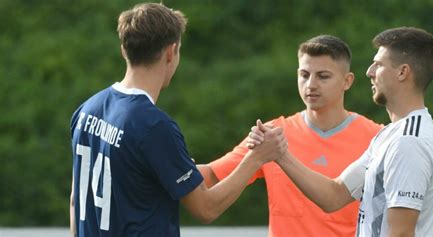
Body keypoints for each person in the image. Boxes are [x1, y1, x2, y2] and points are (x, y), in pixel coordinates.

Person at [69, 3, 286, 237]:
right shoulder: (153, 127)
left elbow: (76, 202)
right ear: (171, 52)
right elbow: (206, 208)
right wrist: (257, 158)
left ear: (124, 49)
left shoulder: (86, 110)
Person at [249, 27, 433, 236]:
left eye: (378, 65)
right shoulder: (391, 135)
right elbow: (335, 195)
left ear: (402, 72)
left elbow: (401, 233)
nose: (369, 72)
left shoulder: (408, 141)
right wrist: (280, 154)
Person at [198, 35, 382, 237]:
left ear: (347, 81)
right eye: (304, 75)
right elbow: (212, 175)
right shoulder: (273, 134)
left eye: (323, 76)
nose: (311, 84)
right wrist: (166, 165)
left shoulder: (377, 137)